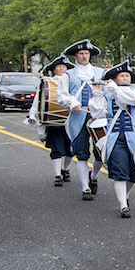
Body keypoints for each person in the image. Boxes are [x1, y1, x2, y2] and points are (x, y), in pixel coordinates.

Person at [89, 61, 135, 219]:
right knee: (120, 172)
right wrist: (97, 95)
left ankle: (125, 195)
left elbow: (133, 101)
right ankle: (123, 205)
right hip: (115, 138)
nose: (125, 78)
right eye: (122, 76)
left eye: (127, 75)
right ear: (114, 79)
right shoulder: (108, 95)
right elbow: (97, 114)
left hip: (134, 137)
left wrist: (117, 90)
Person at [57, 40, 105, 200]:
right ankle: (85, 188)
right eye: (81, 54)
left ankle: (94, 176)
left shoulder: (101, 72)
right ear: (76, 56)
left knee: (101, 152)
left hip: (98, 115)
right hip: (78, 117)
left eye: (86, 54)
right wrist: (72, 102)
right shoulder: (68, 75)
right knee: (81, 153)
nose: (84, 56)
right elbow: (61, 95)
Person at [27, 55, 75, 187]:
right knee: (57, 149)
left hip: (71, 120)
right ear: (54, 70)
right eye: (59, 67)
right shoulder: (48, 82)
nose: (62, 69)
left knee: (71, 148)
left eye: (64, 67)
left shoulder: (73, 83)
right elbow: (39, 100)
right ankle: (57, 175)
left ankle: (65, 170)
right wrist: (32, 115)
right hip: (54, 121)